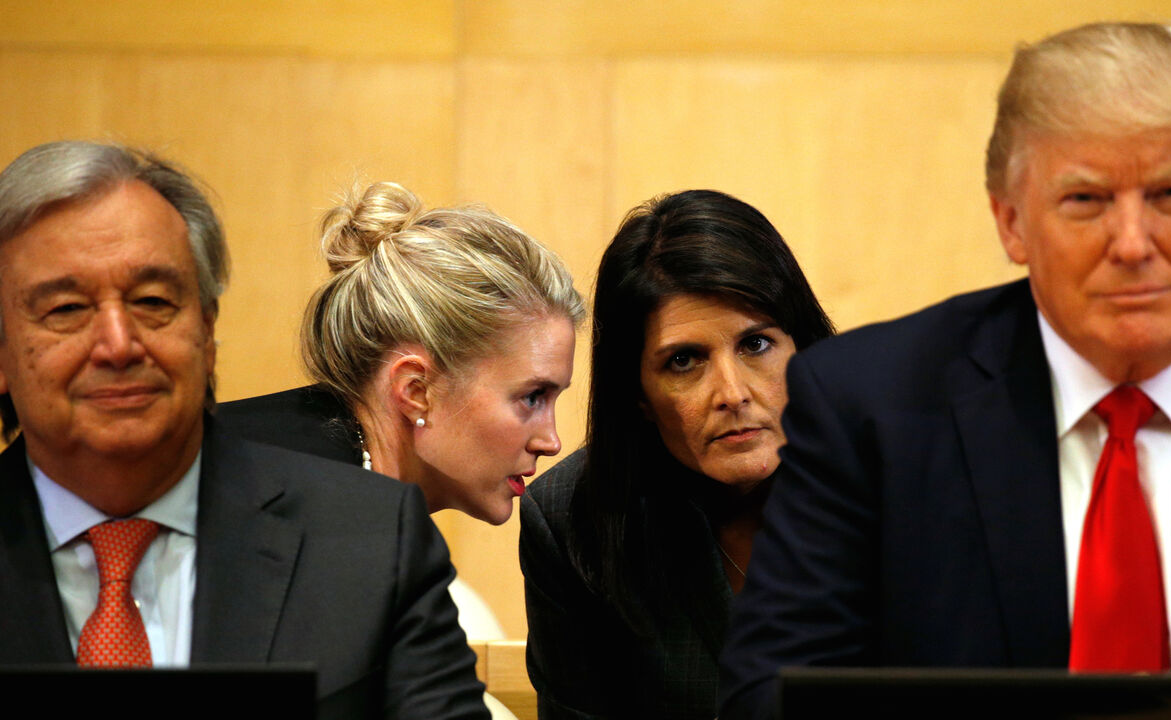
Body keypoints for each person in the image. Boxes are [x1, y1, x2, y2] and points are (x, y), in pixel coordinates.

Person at [719, 21, 1171, 719]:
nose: (1133, 244)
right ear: (1011, 221)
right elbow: (769, 695)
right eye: (1087, 200)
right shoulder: (871, 409)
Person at [0, 141, 488, 720]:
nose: (119, 344)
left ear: (207, 331)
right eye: (66, 310)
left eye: (153, 301)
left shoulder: (371, 542)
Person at [520, 189, 834, 719]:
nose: (732, 393)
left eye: (756, 345)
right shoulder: (575, 520)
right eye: (685, 361)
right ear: (638, 394)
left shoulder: (903, 484)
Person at [218, 181, 584, 527]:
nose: (551, 443)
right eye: (532, 397)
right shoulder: (260, 501)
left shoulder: (356, 502)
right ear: (416, 391)